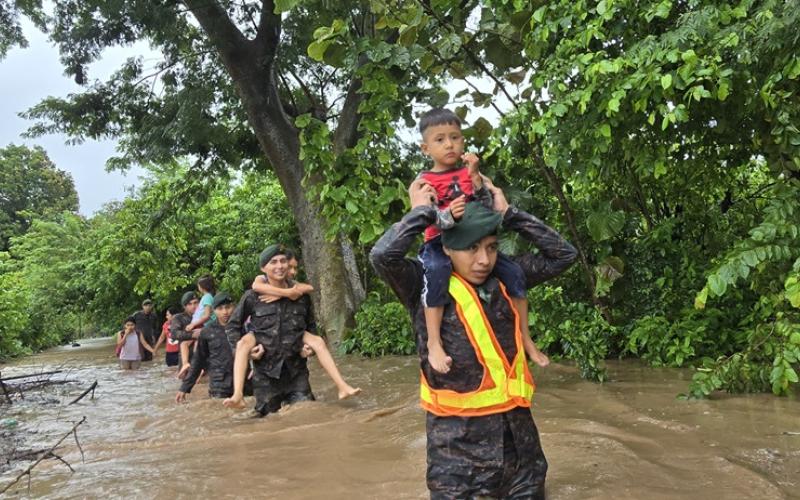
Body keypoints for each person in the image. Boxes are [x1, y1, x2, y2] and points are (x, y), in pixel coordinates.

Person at [370, 176, 577, 498]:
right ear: (447, 249)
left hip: (521, 456)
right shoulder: (422, 285)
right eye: (471, 248)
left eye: (491, 247)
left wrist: (510, 213)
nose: (484, 260)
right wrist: (420, 213)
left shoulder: (508, 279)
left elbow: (563, 255)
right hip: (457, 463)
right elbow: (382, 257)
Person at [413, 108, 547, 374]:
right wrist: (447, 216)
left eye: (455, 137)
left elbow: (486, 209)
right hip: (439, 244)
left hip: (475, 245)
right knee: (437, 274)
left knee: (516, 275)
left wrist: (475, 178)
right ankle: (435, 343)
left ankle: (526, 338)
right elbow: (423, 217)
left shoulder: (469, 173)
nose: (449, 144)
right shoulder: (423, 181)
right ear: (425, 148)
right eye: (440, 140)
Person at [250, 248, 361, 400]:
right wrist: (286, 294)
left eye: (290, 266)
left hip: (296, 366)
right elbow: (256, 286)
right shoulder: (257, 291)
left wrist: (308, 349)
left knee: (318, 342)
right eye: (290, 267)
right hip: (267, 369)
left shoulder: (300, 294)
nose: (292, 271)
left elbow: (310, 296)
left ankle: (342, 386)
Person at [222, 244, 319, 416]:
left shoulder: (300, 296)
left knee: (307, 414)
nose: (279, 266)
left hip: (296, 372)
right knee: (267, 421)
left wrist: (310, 349)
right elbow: (232, 326)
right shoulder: (252, 297)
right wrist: (248, 351)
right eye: (273, 262)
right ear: (263, 268)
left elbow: (310, 326)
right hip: (266, 374)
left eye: (283, 261)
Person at [175, 292, 238, 402]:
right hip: (219, 386)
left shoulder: (244, 327)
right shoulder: (207, 331)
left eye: (228, 307)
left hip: (244, 383)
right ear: (214, 310)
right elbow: (198, 360)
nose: (225, 312)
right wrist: (185, 387)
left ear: (234, 306)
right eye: (220, 308)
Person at [180, 275, 217, 374]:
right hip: (202, 325)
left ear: (201, 287)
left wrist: (193, 325)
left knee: (189, 344)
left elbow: (207, 315)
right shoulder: (207, 297)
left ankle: (195, 365)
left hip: (204, 326)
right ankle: (187, 364)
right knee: (187, 344)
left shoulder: (207, 297)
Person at [170, 291, 200, 366]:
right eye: (190, 304)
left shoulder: (205, 317)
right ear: (184, 306)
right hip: (185, 359)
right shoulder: (178, 318)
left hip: (204, 357)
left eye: (195, 303)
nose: (193, 306)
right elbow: (174, 334)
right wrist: (192, 335)